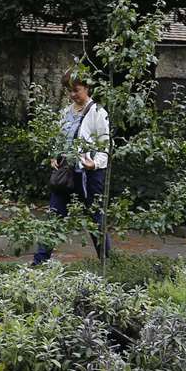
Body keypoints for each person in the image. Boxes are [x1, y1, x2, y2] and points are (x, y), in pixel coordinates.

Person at [33, 74, 110, 265]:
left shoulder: (98, 112)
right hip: (66, 173)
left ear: (87, 88)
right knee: (54, 217)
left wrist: (96, 163)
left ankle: (108, 263)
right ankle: (39, 263)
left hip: (89, 175)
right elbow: (59, 137)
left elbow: (105, 142)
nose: (72, 94)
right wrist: (54, 155)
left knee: (95, 219)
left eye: (76, 90)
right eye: (69, 90)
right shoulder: (65, 112)